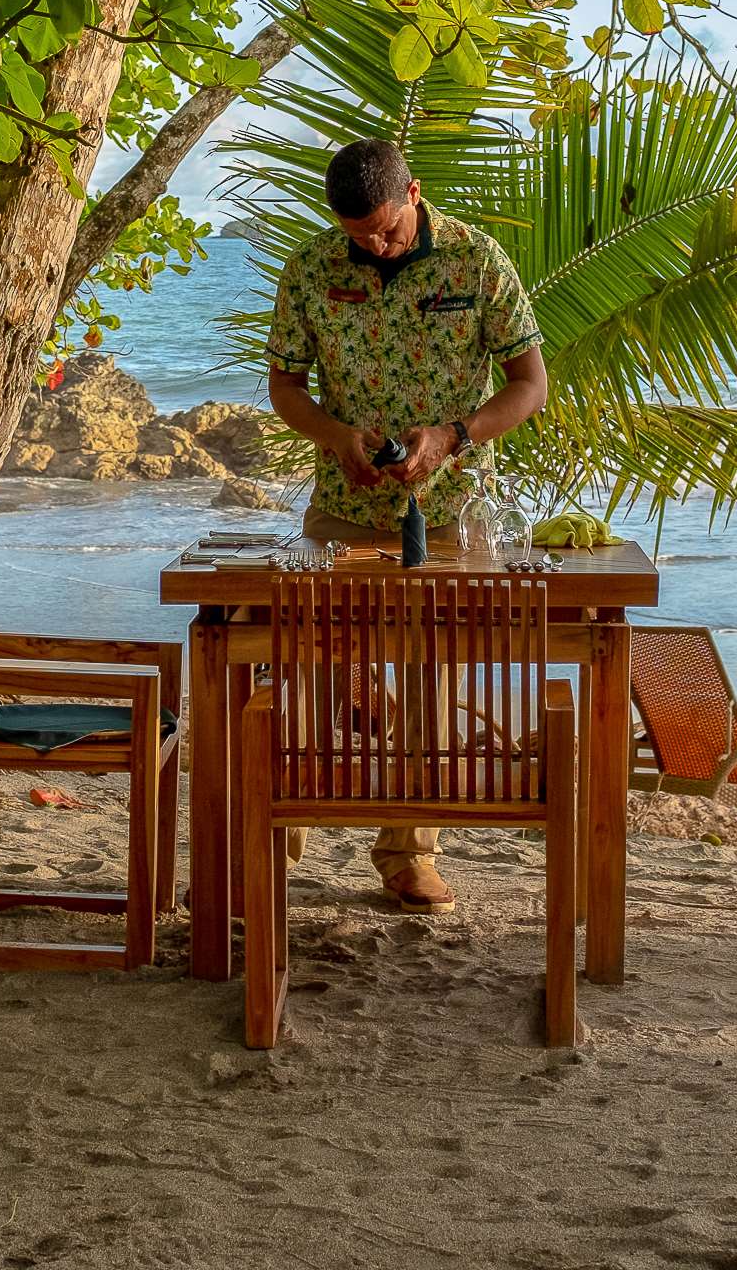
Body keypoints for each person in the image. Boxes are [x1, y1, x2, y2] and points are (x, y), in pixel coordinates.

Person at [263, 137, 550, 914]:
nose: (377, 248)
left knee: (432, 674)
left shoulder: (478, 260)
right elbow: (284, 385)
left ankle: (406, 853)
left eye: (387, 232)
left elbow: (531, 383)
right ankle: (281, 840)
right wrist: (334, 437)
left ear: (414, 193)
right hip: (343, 504)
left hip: (451, 509)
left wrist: (454, 436)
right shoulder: (312, 267)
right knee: (305, 666)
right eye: (361, 238)